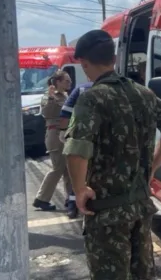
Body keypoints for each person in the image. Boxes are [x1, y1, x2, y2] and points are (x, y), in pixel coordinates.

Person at [63, 30, 161, 278]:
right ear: (114, 58)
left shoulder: (92, 99)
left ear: (84, 64)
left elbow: (76, 150)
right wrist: (151, 166)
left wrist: (79, 190)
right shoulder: (144, 93)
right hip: (139, 206)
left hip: (107, 213)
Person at [33, 70, 74, 214]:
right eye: (66, 81)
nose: (69, 83)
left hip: (66, 133)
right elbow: (47, 113)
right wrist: (51, 98)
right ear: (57, 82)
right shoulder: (48, 96)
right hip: (55, 134)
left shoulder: (66, 95)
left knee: (69, 170)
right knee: (58, 168)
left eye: (69, 81)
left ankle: (71, 199)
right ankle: (42, 198)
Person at [59, 81, 94, 219]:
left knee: (78, 173)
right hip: (108, 141)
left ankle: (73, 206)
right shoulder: (121, 88)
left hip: (81, 138)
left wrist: (63, 132)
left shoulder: (81, 89)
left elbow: (65, 114)